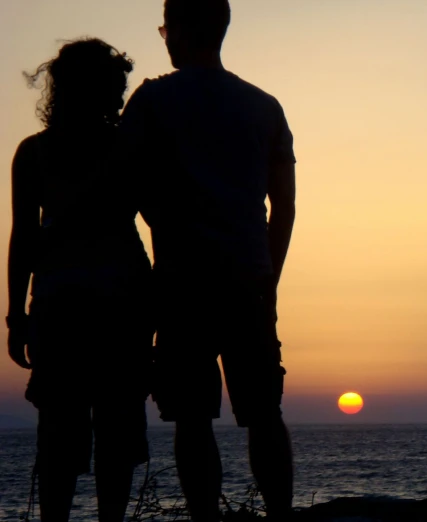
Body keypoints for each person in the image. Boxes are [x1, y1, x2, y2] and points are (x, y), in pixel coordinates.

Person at [118, 0, 297, 520]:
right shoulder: (264, 106)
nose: (164, 39)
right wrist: (271, 277)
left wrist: (161, 219)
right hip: (249, 279)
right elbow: (283, 206)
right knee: (264, 411)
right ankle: (281, 517)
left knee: (192, 418)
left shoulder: (152, 101)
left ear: (183, 30)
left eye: (166, 28)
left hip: (180, 281)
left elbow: (121, 186)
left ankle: (205, 520)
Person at [6, 39, 154, 522]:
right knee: (112, 429)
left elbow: (23, 238)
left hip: (69, 303)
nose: (119, 98)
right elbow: (23, 236)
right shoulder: (128, 149)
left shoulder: (36, 152)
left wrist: (15, 315)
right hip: (115, 303)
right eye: (116, 87)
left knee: (64, 433)